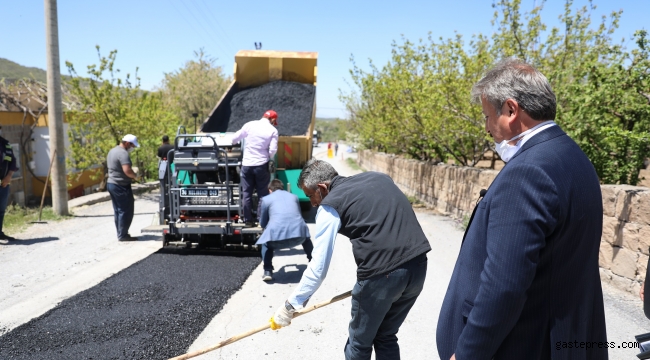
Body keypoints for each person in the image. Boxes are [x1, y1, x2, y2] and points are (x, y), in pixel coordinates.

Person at [436, 58, 607, 359]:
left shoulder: (527, 172)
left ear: (511, 111)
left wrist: (467, 354)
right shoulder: (574, 158)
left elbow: (504, 285)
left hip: (524, 345)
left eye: (488, 116)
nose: (487, 128)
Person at [272, 159, 431, 360]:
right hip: (417, 267)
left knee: (359, 345)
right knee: (386, 336)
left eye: (311, 196)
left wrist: (290, 305)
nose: (312, 203)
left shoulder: (331, 205)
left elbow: (318, 266)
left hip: (382, 275)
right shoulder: (379, 177)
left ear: (322, 187)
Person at [257, 179, 313, 281]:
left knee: (265, 243)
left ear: (270, 190)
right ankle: (314, 264)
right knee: (306, 238)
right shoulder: (294, 197)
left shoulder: (266, 199)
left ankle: (267, 271)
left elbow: (263, 223)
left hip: (276, 242)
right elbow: (297, 215)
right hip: (299, 237)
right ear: (282, 187)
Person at [231, 110, 279, 226]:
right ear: (272, 120)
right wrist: (266, 156)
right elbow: (272, 150)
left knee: (246, 193)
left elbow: (234, 139)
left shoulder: (249, 125)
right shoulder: (273, 130)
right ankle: (260, 219)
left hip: (247, 165)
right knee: (262, 194)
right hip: (261, 165)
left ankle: (248, 220)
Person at [106, 134, 140, 242]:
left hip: (112, 184)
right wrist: (135, 176)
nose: (132, 148)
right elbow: (127, 170)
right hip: (121, 186)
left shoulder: (112, 151)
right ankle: (123, 235)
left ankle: (121, 233)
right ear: (127, 143)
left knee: (118, 210)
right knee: (126, 210)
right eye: (132, 146)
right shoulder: (123, 153)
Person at [0, 126, 18, 241]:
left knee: (1, 210)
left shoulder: (5, 144)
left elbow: (13, 161)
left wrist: (9, 176)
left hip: (3, 184)